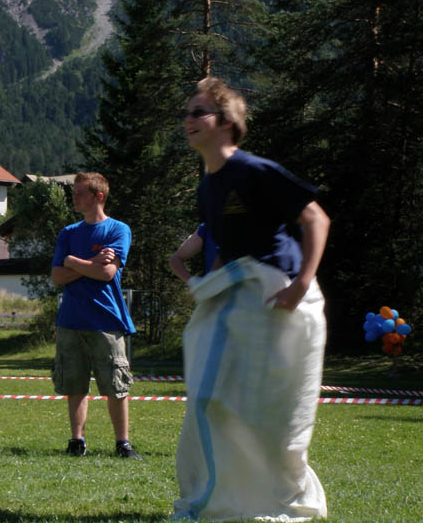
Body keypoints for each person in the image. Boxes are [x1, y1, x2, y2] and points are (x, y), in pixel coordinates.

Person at [173, 78, 330, 521]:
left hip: (282, 299)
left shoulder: (254, 170)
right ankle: (218, 496)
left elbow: (316, 219)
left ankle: (282, 498)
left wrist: (301, 285)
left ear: (226, 123)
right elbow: (225, 249)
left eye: (198, 112)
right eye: (186, 113)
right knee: (210, 399)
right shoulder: (207, 187)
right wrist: (210, 290)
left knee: (271, 416)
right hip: (239, 300)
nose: (188, 120)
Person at [50, 172, 141, 460]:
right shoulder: (68, 233)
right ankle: (76, 441)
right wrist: (89, 262)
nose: (74, 198)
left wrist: (72, 262)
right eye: (74, 192)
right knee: (74, 385)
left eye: (80, 193)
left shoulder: (118, 230)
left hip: (106, 320)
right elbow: (57, 277)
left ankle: (122, 444)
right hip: (70, 321)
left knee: (116, 386)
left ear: (98, 196)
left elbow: (107, 273)